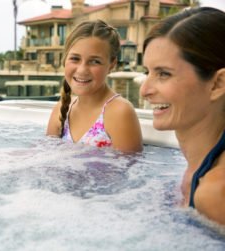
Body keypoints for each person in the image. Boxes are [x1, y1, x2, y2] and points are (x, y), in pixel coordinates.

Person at [140, 7, 225, 225]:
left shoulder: (216, 192)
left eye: (164, 74)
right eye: (147, 72)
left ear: (218, 84)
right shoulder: (198, 171)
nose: (145, 90)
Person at [46, 20, 143, 152]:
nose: (82, 70)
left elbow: (130, 169)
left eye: (95, 61)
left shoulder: (119, 112)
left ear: (112, 65)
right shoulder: (62, 109)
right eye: (75, 58)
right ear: (65, 59)